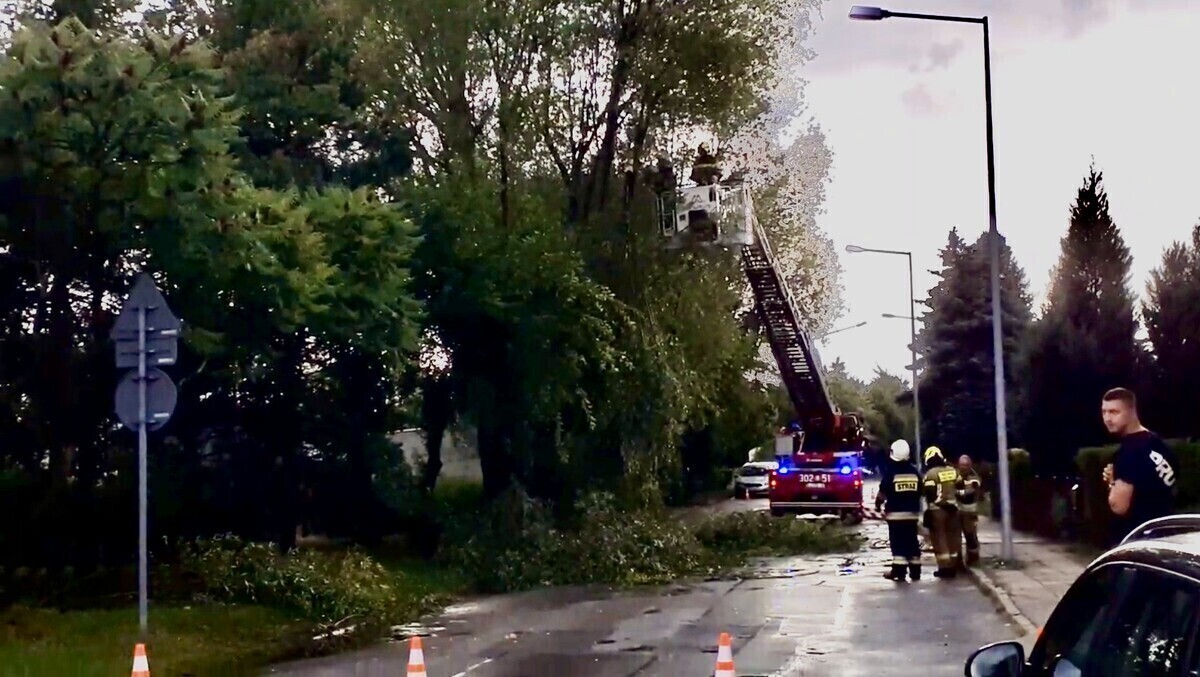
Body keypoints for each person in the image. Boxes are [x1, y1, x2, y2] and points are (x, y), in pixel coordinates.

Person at [1100, 387, 1179, 546]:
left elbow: (1119, 506)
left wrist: (1112, 483)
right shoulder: (1158, 444)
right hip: (1164, 538)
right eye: (1104, 412)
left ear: (1131, 411)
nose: (1107, 418)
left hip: (1137, 543)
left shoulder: (1129, 452)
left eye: (1114, 412)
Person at [876, 439, 923, 581]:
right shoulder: (914, 472)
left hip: (895, 516)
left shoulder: (891, 473)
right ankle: (915, 572)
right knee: (912, 542)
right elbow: (921, 491)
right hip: (912, 515)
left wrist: (878, 505)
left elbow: (882, 493)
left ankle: (899, 571)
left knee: (898, 544)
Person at [922, 445, 961, 578]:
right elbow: (960, 485)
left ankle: (945, 567)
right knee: (953, 537)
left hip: (938, 510)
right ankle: (955, 564)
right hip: (954, 509)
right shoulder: (952, 470)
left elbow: (929, 493)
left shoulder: (930, 474)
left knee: (939, 539)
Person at [956, 454, 982, 567]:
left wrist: (957, 492)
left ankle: (973, 559)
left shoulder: (974, 477)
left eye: (966, 465)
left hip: (970, 511)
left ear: (970, 465)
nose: (963, 467)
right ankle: (958, 561)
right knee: (956, 537)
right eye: (962, 465)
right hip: (957, 510)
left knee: (970, 536)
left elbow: (969, 492)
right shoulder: (956, 475)